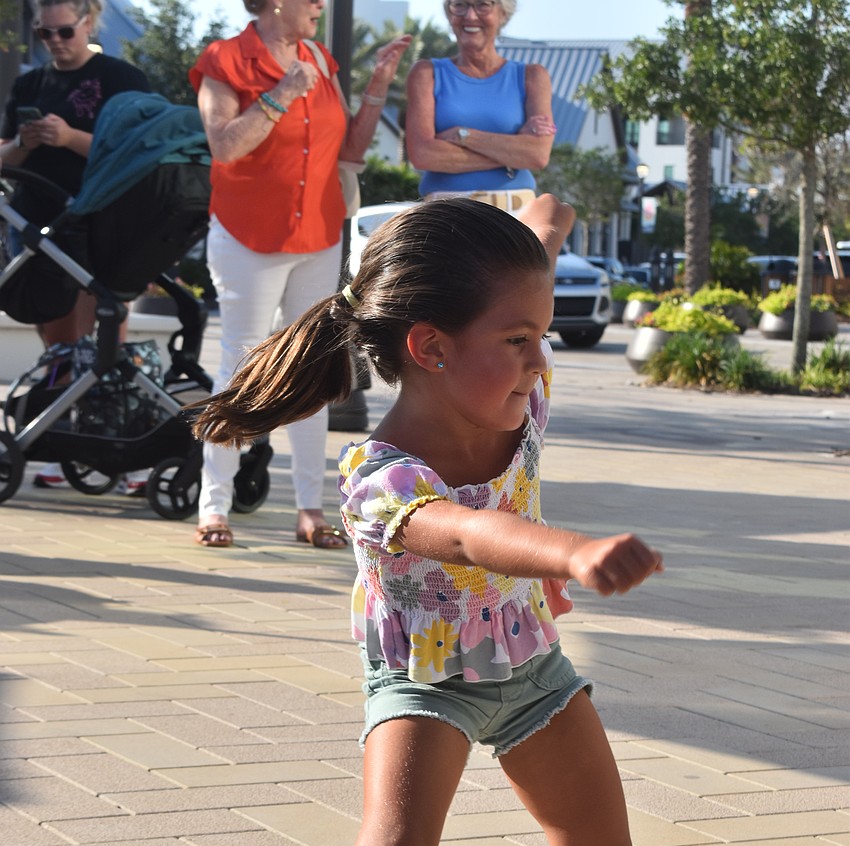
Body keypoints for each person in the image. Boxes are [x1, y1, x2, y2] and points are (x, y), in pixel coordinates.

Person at [191, 194, 663, 846]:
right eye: (519, 338)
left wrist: (541, 227)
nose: (541, 363)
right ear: (429, 347)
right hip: (424, 680)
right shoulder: (376, 477)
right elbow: (461, 533)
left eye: (542, 338)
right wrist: (568, 553)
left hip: (528, 667)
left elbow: (515, 273)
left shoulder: (512, 396)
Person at [189, 0, 410, 549]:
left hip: (317, 232)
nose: (320, 6)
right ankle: (213, 507)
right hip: (248, 234)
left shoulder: (320, 59)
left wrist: (379, 81)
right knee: (240, 359)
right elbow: (223, 145)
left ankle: (310, 509)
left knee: (314, 365)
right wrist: (283, 92)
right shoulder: (225, 60)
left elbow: (349, 150)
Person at [0, 0, 151, 492]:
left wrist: (67, 138)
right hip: (37, 220)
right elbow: (5, 154)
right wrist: (26, 141)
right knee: (59, 342)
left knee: (105, 337)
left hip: (98, 220)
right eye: (45, 34)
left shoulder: (120, 77)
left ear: (89, 22)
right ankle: (61, 440)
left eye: (64, 31)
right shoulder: (31, 83)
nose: (56, 42)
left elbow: (137, 150)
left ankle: (125, 450)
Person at [405, 0, 556, 211]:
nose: (470, 16)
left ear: (503, 14)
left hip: (517, 216)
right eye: (460, 5)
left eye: (483, 5)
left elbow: (537, 155)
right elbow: (423, 155)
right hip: (446, 216)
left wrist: (464, 136)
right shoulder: (425, 74)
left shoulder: (532, 76)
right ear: (449, 14)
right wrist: (511, 154)